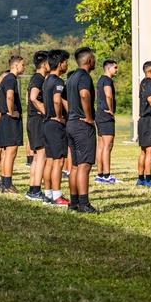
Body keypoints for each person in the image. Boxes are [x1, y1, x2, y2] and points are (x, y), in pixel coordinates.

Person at [66, 47, 99, 214]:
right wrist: (88, 117)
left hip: (71, 123)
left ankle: (74, 203)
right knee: (85, 166)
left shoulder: (72, 77)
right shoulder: (85, 77)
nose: (94, 61)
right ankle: (84, 204)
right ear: (88, 61)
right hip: (81, 125)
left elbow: (63, 98)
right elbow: (85, 95)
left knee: (76, 166)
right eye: (93, 58)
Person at [42, 49, 70, 207]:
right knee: (59, 162)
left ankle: (48, 195)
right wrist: (60, 117)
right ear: (60, 64)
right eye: (66, 62)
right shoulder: (58, 81)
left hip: (46, 124)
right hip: (55, 124)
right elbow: (57, 100)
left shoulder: (47, 80)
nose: (67, 65)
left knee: (50, 162)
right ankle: (57, 196)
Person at [0, 55, 25, 194]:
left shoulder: (7, 78)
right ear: (15, 66)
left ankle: (4, 184)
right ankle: (8, 185)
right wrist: (11, 111)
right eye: (22, 64)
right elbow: (9, 96)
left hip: (4, 120)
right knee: (11, 151)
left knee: (7, 152)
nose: (24, 67)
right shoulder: (10, 79)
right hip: (10, 120)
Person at [24, 51, 49, 201]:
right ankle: (36, 191)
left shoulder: (34, 78)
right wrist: (45, 111)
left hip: (32, 119)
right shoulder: (39, 79)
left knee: (36, 157)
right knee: (42, 156)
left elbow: (28, 98)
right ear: (45, 64)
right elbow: (33, 97)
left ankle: (32, 189)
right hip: (38, 120)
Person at [95, 59, 117, 184]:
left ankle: (100, 174)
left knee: (101, 146)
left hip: (99, 113)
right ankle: (107, 175)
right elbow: (108, 95)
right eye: (115, 67)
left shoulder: (100, 80)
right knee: (107, 146)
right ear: (108, 68)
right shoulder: (107, 80)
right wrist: (111, 110)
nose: (117, 70)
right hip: (106, 115)